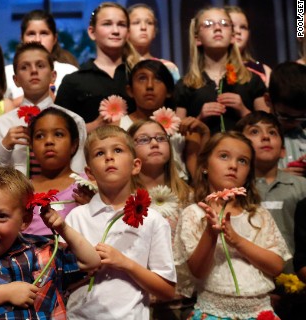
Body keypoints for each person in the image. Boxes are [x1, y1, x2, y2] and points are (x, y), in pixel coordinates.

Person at [0, 166, 101, 319]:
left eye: (1, 216)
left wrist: (63, 228)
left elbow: (91, 261)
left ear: (25, 220)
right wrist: (6, 292)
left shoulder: (43, 250)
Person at [174, 132, 290, 319]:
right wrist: (211, 234)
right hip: (213, 311)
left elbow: (276, 266)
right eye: (224, 156)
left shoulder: (258, 215)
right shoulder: (194, 214)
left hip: (259, 312)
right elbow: (197, 271)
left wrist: (237, 241)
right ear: (204, 166)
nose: (233, 166)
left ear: (248, 173)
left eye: (243, 161)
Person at [65, 125, 176, 319]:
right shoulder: (76, 217)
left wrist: (125, 263)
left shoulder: (152, 220)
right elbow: (62, 279)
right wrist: (84, 270)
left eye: (117, 150)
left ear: (136, 165)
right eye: (100, 153)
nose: (109, 157)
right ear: (90, 173)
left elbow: (166, 290)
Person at [127, 119, 196, 319]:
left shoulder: (188, 196)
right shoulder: (123, 198)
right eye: (144, 139)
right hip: (136, 298)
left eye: (160, 138)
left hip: (181, 299)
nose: (155, 143)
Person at [0, 42, 88, 177]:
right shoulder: (2, 124)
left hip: (62, 195)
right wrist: (5, 147)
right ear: (16, 80)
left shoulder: (74, 121)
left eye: (40, 65)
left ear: (53, 76)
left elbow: (79, 172)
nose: (33, 71)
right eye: (24, 67)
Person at [174, 6, 269, 134]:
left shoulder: (252, 80)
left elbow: (268, 127)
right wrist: (199, 119)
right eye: (208, 24)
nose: (218, 28)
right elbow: (177, 136)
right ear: (197, 39)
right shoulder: (185, 85)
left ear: (232, 37)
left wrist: (243, 111)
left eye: (224, 24)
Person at [235, 112, 306, 273]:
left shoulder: (302, 187)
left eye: (272, 132)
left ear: (282, 150)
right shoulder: (235, 188)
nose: (265, 137)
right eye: (255, 131)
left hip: (296, 280)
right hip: (248, 281)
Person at [55, 2, 140, 132]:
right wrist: (93, 126)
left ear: (128, 33)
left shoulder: (139, 77)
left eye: (121, 25)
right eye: (107, 24)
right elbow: (59, 130)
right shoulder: (73, 81)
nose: (115, 31)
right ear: (92, 32)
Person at [121, 59, 210, 180]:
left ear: (169, 91)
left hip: (179, 194)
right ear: (130, 90)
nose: (149, 86)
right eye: (142, 78)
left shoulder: (184, 130)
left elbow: (200, 178)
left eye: (158, 79)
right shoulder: (118, 127)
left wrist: (205, 134)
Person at [26, 108, 88, 235]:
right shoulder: (22, 190)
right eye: (40, 136)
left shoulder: (87, 186)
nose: (48, 141)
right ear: (31, 146)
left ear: (74, 145)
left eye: (58, 134)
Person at [4, 10, 79, 106]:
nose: (38, 40)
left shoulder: (69, 72)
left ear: (55, 38)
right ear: (22, 39)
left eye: (44, 33)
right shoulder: (7, 73)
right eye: (31, 34)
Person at [265, 62, 306, 174]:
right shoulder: (252, 140)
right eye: (285, 116)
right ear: (268, 100)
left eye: (302, 117)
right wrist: (279, 178)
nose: (294, 122)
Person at [127, 4, 181, 82]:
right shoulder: (119, 67)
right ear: (126, 29)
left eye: (149, 23)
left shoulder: (168, 67)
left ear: (154, 31)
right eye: (136, 22)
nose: (143, 27)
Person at [224, 6, 272, 86]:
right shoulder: (210, 69)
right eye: (232, 26)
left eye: (243, 27)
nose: (238, 31)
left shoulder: (263, 70)